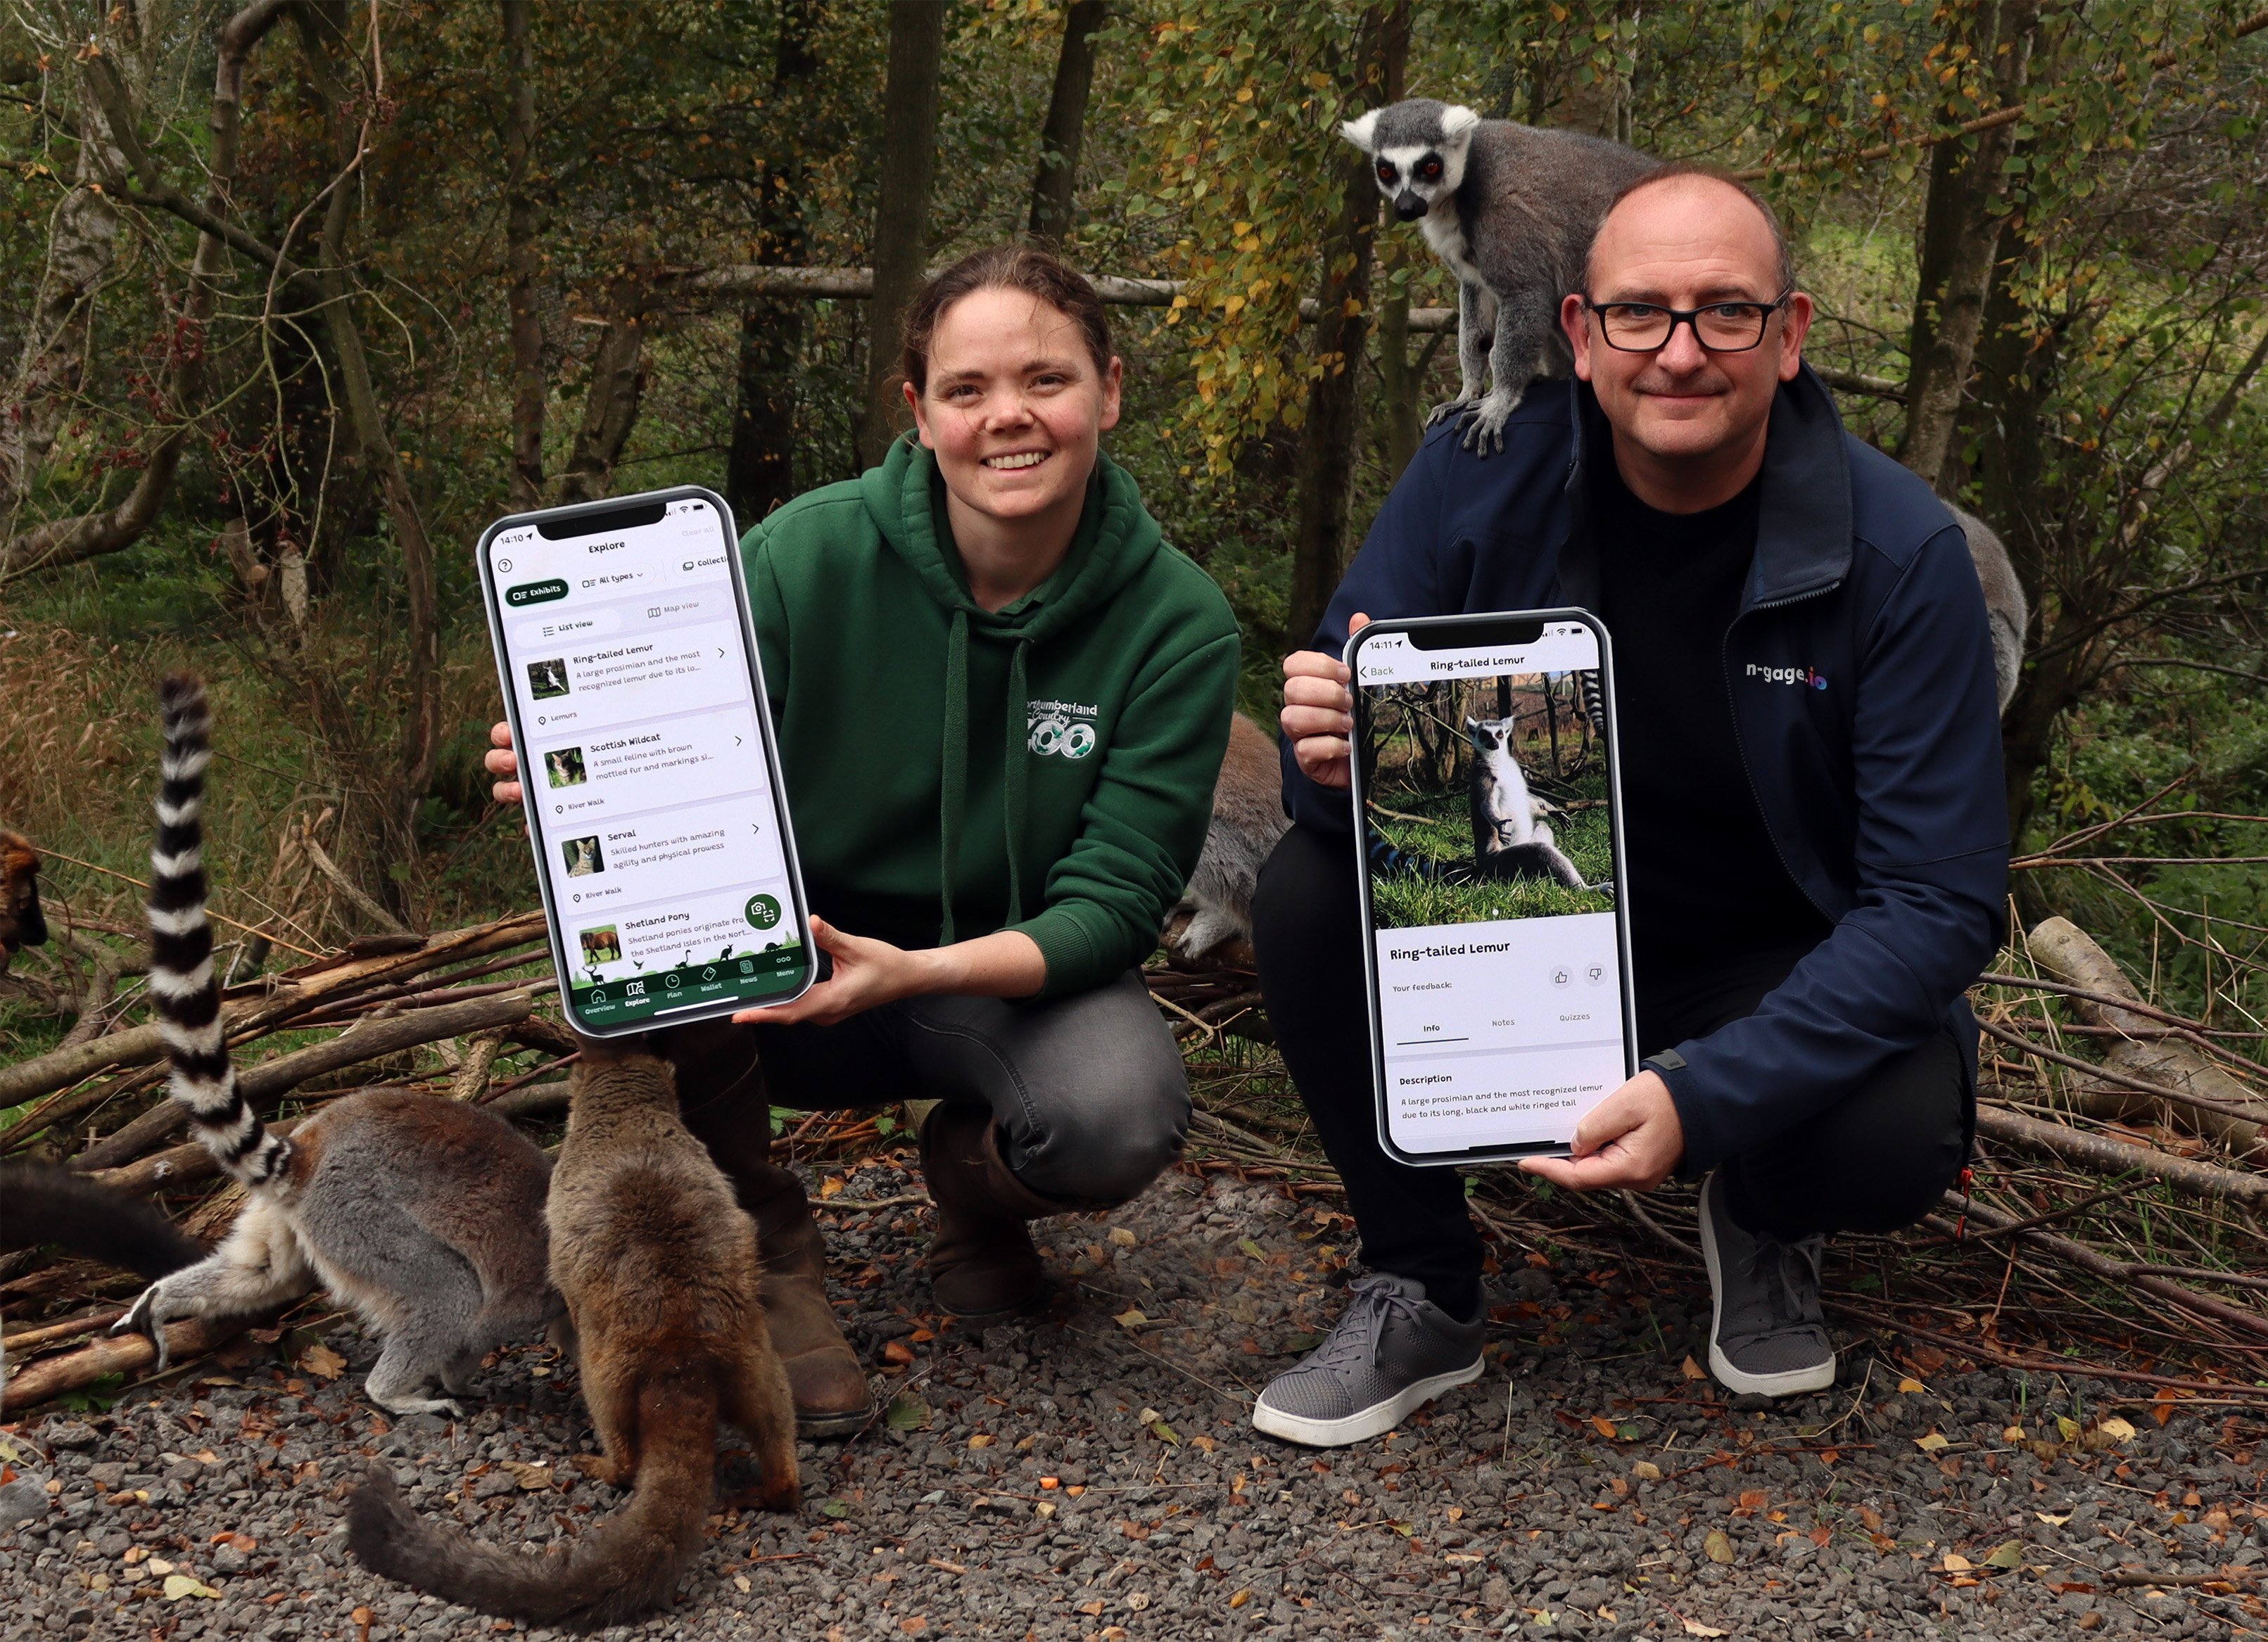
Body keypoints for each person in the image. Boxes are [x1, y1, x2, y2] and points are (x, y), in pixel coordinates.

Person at [1248, 163, 2006, 1447]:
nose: (1683, 351)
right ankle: (1421, 1281)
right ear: (1582, 336)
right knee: (1308, 894)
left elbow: (1939, 901)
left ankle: (1762, 1211)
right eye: (1643, 313)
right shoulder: (1472, 481)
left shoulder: (1900, 551)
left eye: (1727, 313)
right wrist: (1331, 765)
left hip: (1766, 967)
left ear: (1791, 334)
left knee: (1901, 1123)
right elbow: (1340, 792)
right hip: (1529, 933)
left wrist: (1708, 1097)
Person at [488, 246, 1241, 1434]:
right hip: (781, 966)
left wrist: (921, 971)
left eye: (1046, 379)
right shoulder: (800, 558)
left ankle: (973, 1181)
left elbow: (1116, 898)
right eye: (967, 389)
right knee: (641, 939)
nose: (1010, 417)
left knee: (1114, 1111)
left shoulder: (1178, 622)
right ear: (919, 410)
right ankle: (767, 1257)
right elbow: (673, 751)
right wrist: (581, 773)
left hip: (995, 978)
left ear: (1110, 388)